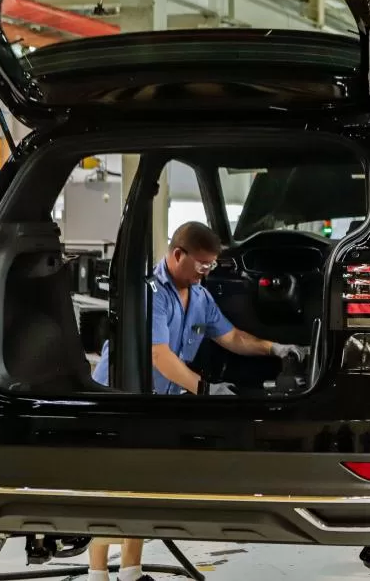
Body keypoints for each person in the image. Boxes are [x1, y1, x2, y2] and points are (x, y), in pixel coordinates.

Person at [87, 221, 304, 581]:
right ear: (177, 255)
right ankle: (97, 574)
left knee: (144, 488)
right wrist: (203, 389)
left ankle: (130, 572)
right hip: (121, 396)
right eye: (202, 264)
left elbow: (231, 336)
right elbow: (159, 355)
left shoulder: (199, 296)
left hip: (159, 402)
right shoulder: (152, 294)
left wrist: (274, 348)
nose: (206, 271)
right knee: (112, 486)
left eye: (211, 265)